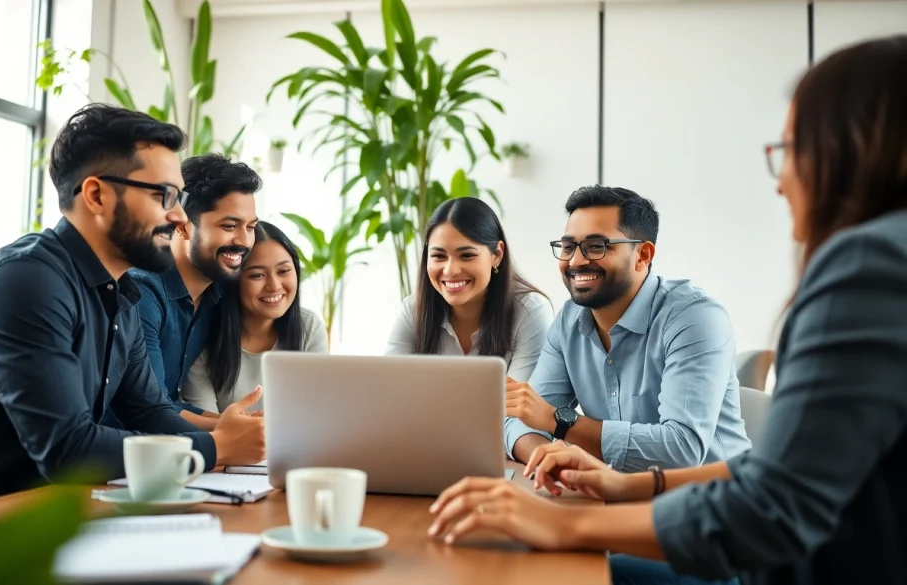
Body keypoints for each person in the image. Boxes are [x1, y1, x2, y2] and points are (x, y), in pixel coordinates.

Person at [428, 35, 907, 585]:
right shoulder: (569, 319)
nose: (782, 180)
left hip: (755, 560)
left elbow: (765, 500)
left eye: (793, 148)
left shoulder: (866, 266)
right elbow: (786, 470)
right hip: (716, 526)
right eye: (569, 245)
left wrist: (568, 525)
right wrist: (622, 483)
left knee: (526, 566)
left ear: (850, 149)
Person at [0, 104, 264, 503]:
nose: (178, 217)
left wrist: (236, 437)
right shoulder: (26, 282)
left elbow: (150, 412)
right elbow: (67, 449)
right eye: (165, 195)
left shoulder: (120, 292)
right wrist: (217, 447)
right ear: (97, 195)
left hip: (47, 515)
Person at [503, 186, 751, 470]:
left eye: (597, 246)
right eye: (568, 247)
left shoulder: (695, 318)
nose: (576, 261)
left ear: (643, 255)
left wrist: (557, 420)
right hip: (617, 496)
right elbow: (520, 419)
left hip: (712, 503)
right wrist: (547, 460)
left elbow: (682, 448)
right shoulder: (569, 321)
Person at [128, 153, 262, 431]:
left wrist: (251, 424)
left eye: (250, 227)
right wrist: (228, 429)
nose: (244, 241)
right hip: (115, 460)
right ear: (182, 225)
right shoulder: (143, 293)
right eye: (229, 226)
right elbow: (152, 408)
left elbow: (173, 403)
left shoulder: (219, 292)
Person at [386, 197, 553, 382]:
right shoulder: (414, 309)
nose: (450, 270)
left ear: (497, 255)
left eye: (466, 255)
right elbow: (389, 389)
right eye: (438, 256)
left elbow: (518, 406)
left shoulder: (530, 311)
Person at [182, 221, 328, 412]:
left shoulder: (309, 327)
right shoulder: (202, 336)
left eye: (283, 271)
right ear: (232, 280)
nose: (274, 286)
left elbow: (318, 414)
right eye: (257, 275)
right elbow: (208, 428)